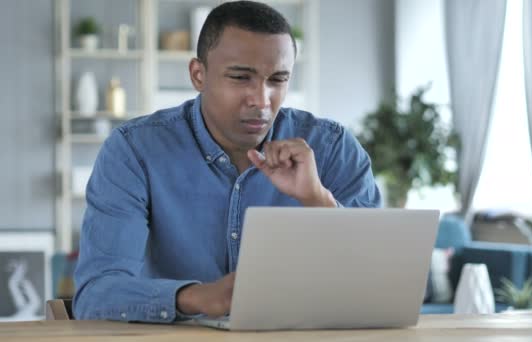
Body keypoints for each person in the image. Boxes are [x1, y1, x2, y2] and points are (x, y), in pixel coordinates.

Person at [73, 0, 381, 322]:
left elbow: (378, 283)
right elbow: (96, 294)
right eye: (240, 77)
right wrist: (196, 297)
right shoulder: (134, 151)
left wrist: (317, 200)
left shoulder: (332, 148)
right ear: (198, 74)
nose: (261, 100)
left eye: (277, 79)